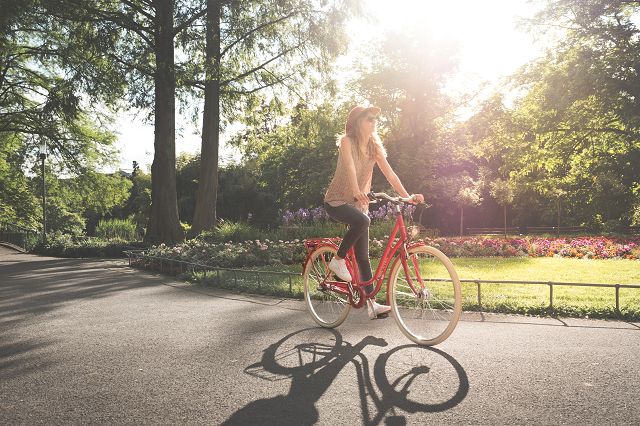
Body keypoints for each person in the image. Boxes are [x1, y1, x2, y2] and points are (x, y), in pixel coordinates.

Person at [324, 105, 424, 319]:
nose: (374, 121)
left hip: (358, 203)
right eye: (369, 118)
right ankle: (338, 260)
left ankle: (371, 305)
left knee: (362, 257)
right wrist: (356, 191)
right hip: (337, 200)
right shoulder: (346, 141)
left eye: (375, 118)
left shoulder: (374, 146)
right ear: (358, 121)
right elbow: (350, 168)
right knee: (362, 221)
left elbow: (390, 174)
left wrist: (407, 196)